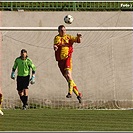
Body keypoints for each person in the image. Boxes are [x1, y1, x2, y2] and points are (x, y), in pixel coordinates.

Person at [53, 25, 82, 103]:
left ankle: (69, 93)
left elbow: (78, 41)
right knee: (68, 79)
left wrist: (78, 37)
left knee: (69, 75)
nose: (63, 31)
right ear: (58, 31)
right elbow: (56, 45)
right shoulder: (57, 38)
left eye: (64, 30)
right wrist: (55, 47)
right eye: (61, 30)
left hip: (67, 59)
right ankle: (78, 94)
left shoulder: (69, 37)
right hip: (60, 61)